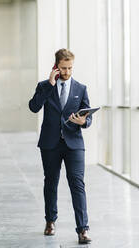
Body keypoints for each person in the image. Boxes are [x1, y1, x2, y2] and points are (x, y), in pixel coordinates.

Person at [28, 49, 92, 244]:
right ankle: (50, 221)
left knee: (77, 184)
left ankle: (83, 229)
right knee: (51, 183)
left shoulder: (80, 88)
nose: (67, 71)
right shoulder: (45, 86)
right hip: (50, 143)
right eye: (63, 68)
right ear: (56, 66)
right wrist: (50, 84)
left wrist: (84, 122)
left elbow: (88, 118)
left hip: (74, 144)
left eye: (70, 68)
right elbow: (33, 107)